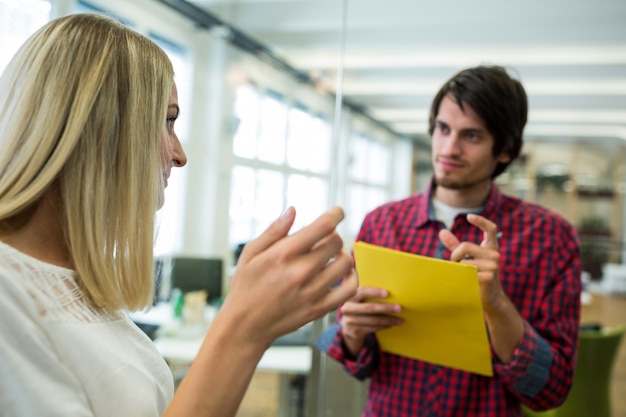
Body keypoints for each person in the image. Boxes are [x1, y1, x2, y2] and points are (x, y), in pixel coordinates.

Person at [0, 13, 358, 417]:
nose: (180, 154)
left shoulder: (75, 285)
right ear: (102, 130)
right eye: (168, 122)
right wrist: (242, 329)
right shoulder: (7, 295)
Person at [318, 65, 581, 416]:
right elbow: (355, 361)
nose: (449, 148)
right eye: (443, 129)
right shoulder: (382, 224)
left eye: (471, 136)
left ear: (504, 151)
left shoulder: (551, 238)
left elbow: (551, 390)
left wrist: (498, 305)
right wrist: (352, 331)